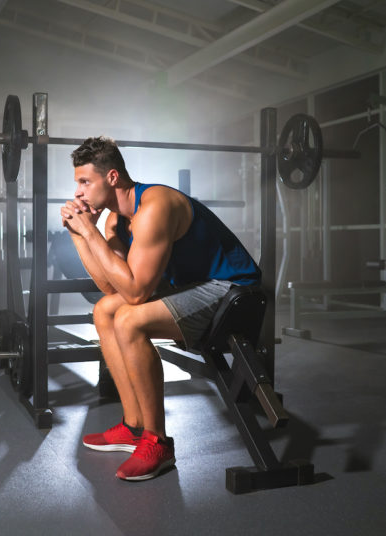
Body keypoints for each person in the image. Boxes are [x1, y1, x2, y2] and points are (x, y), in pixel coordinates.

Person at [60, 136, 260, 481]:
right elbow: (112, 286)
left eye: (84, 182)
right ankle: (133, 427)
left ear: (111, 178)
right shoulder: (114, 221)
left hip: (232, 288)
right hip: (191, 287)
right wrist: (82, 235)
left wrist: (89, 234)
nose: (78, 192)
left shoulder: (154, 206)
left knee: (129, 320)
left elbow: (136, 294)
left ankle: (158, 443)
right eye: (77, 182)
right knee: (105, 310)